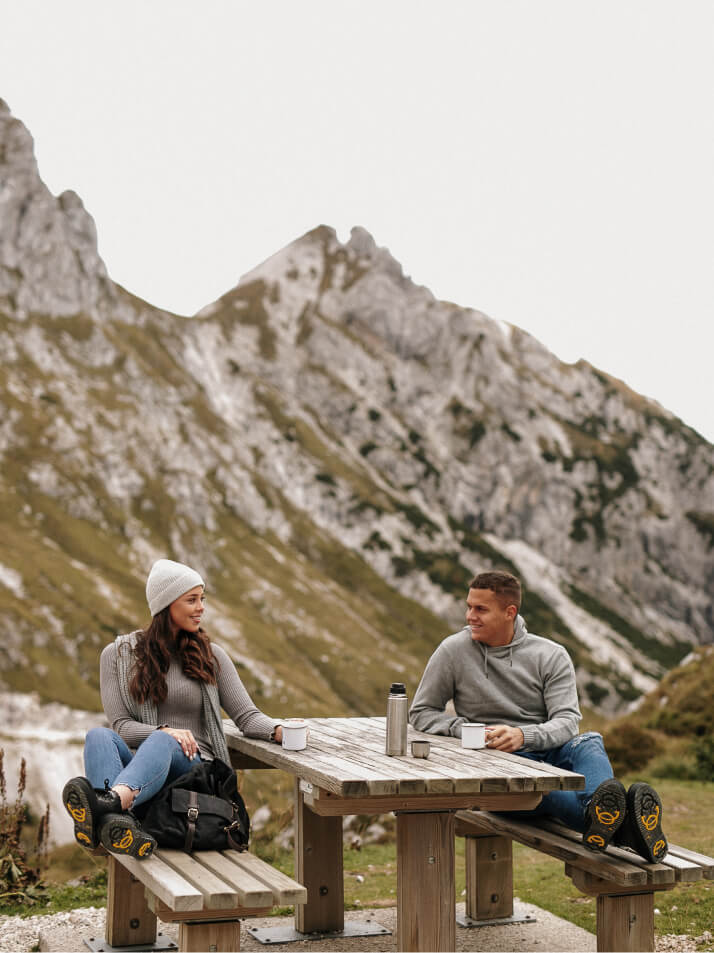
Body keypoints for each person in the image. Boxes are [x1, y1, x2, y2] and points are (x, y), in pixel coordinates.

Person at [409, 570, 667, 862]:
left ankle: (602, 813)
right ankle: (621, 826)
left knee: (589, 742)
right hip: (501, 766)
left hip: (548, 749)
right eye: (469, 607)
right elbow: (421, 712)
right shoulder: (453, 651)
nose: (470, 616)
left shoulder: (551, 655)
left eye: (480, 609)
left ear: (510, 612)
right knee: (543, 790)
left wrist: (524, 735)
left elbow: (568, 721)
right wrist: (468, 729)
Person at [63, 558, 283, 860]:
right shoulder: (117, 656)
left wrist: (278, 730)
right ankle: (118, 826)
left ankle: (108, 807)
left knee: (163, 739)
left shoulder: (212, 656)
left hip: (197, 771)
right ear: (166, 605)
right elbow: (122, 727)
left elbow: (246, 716)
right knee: (98, 737)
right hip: (149, 773)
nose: (201, 607)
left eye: (202, 599)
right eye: (191, 600)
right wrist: (164, 732)